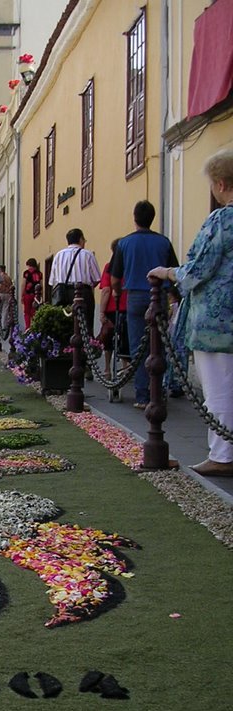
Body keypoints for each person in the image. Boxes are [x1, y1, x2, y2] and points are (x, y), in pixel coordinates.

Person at [149, 148, 233, 477]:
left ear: (222, 183)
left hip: (216, 323)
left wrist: (169, 273)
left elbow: (198, 269)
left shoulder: (222, 220)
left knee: (220, 391)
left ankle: (223, 455)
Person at [110, 201, 178, 409]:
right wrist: (174, 296)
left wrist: (117, 291)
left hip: (135, 297)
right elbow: (174, 273)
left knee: (137, 347)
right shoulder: (164, 242)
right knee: (158, 345)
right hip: (158, 297)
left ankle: (142, 395)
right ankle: (157, 391)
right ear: (153, 217)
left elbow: (114, 277)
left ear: (135, 217)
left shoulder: (124, 243)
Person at [49, 228, 101, 336]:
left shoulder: (58, 255)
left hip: (63, 293)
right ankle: (85, 349)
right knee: (86, 325)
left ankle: (65, 349)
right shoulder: (88, 254)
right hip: (83, 293)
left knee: (63, 325)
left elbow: (52, 281)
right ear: (81, 239)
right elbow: (96, 279)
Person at [98, 240, 128, 383]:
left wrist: (101, 312)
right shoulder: (129, 265)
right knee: (125, 338)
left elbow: (106, 290)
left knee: (109, 339)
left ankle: (108, 369)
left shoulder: (109, 267)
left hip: (112, 308)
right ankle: (125, 367)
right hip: (128, 307)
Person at [22, 258, 42, 330]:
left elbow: (23, 284)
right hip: (36, 295)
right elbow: (41, 284)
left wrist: (22, 295)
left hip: (28, 294)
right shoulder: (39, 273)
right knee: (34, 311)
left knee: (27, 312)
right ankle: (34, 327)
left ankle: (27, 327)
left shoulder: (26, 273)